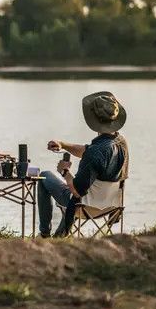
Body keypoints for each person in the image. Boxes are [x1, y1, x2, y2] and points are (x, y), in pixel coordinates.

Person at [38, 91, 129, 237]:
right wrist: (63, 144)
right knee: (81, 185)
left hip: (85, 206)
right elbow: (87, 152)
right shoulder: (120, 142)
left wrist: (65, 171)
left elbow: (76, 191)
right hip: (110, 206)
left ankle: (44, 235)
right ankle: (60, 235)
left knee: (44, 177)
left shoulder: (95, 152)